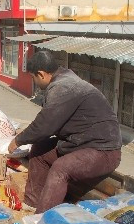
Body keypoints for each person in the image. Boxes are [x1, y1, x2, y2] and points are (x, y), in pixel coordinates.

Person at [7, 50, 122, 214]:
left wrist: (18, 140)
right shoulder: (64, 79)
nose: (34, 82)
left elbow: (44, 125)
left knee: (61, 168)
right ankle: (32, 204)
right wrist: (27, 136)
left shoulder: (64, 87)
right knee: (39, 150)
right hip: (78, 144)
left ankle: (42, 219)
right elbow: (47, 124)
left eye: (33, 77)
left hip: (103, 151)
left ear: (41, 74)